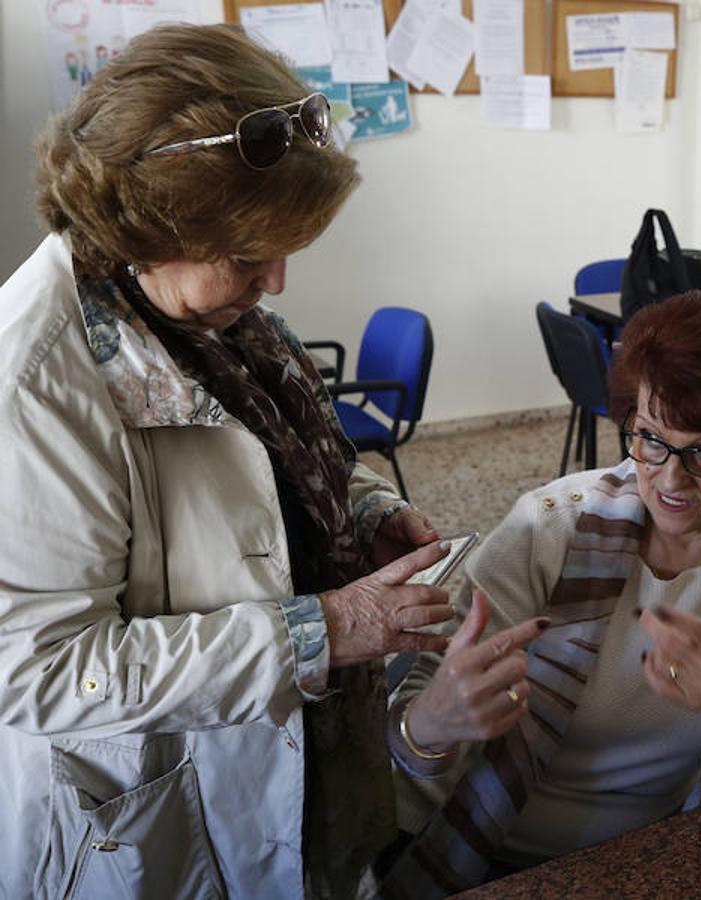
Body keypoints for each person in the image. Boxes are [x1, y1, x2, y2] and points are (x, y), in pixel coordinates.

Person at [0, 24, 458, 898]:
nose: (277, 282)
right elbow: (39, 669)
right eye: (250, 257)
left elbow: (264, 462)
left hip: (301, 757)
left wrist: (361, 510)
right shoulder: (33, 385)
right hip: (152, 806)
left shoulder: (197, 311)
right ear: (143, 223)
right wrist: (323, 631)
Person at [379, 292, 701, 895]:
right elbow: (408, 752)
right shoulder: (547, 529)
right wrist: (431, 724)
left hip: (660, 856)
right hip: (497, 857)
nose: (669, 477)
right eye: (651, 438)